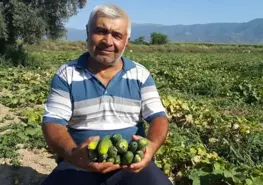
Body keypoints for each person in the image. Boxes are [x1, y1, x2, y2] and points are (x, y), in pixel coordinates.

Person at [40, 4, 172, 185]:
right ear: (88, 32)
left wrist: (152, 146)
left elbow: (159, 118)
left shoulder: (140, 75)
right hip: (79, 163)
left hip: (130, 163)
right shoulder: (67, 74)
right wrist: (73, 154)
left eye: (117, 35)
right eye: (100, 31)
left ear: (127, 40)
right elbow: (53, 122)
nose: (108, 41)